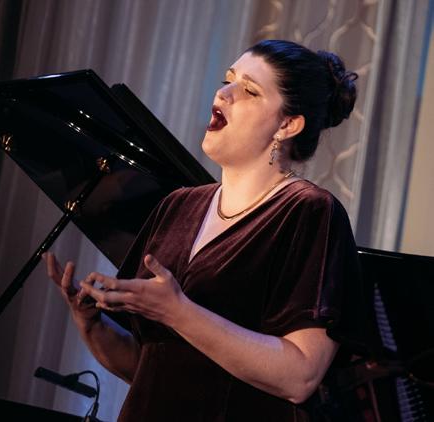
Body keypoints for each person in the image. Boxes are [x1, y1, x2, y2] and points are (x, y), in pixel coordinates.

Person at [43, 39, 366, 421]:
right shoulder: (177, 206)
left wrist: (178, 311)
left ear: (287, 124)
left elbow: (300, 377)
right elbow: (151, 368)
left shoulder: (308, 211)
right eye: (228, 80)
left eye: (249, 90)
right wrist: (91, 326)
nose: (223, 93)